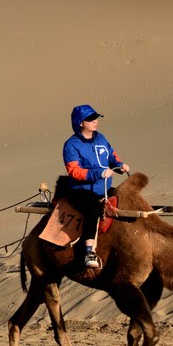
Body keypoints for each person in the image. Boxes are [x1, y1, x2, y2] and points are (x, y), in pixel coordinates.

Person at [62, 105, 130, 269]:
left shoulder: (101, 138)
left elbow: (112, 155)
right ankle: (89, 253)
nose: (95, 121)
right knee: (93, 209)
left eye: (96, 118)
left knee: (127, 199)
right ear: (80, 123)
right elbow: (74, 171)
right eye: (90, 119)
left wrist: (120, 165)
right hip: (81, 190)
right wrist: (98, 174)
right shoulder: (71, 145)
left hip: (103, 187)